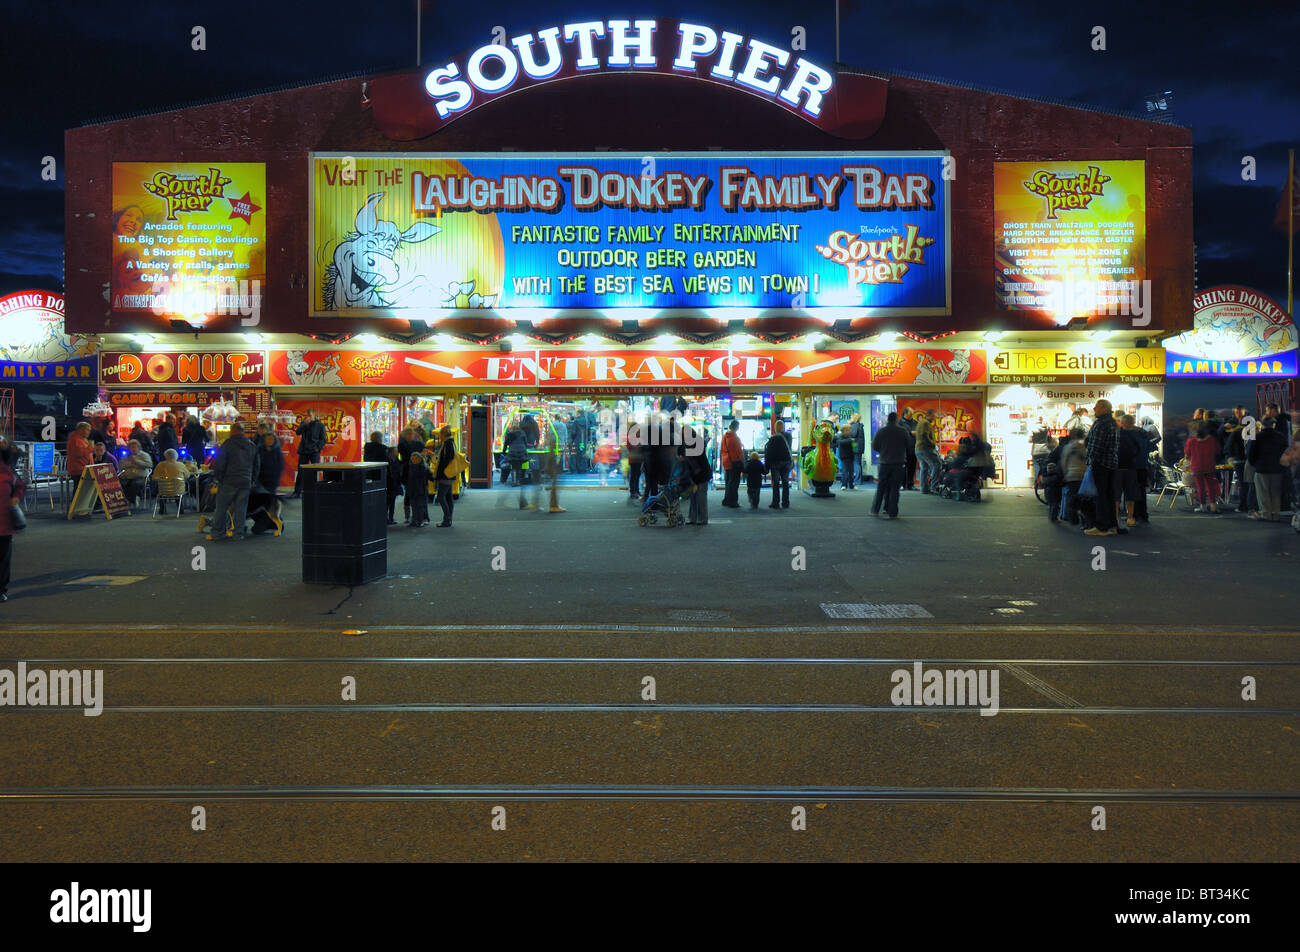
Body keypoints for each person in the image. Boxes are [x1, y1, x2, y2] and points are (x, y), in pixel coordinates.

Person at [208, 422, 259, 541]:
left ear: (233, 431)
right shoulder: (252, 445)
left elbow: (219, 464)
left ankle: (217, 533)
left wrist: (219, 478)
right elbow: (257, 465)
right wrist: (252, 480)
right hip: (245, 481)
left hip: (228, 481)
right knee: (241, 509)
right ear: (243, 431)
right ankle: (238, 533)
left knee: (221, 508)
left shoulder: (227, 445)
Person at [1083, 399, 1121, 536]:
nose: (1094, 408)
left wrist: (1090, 461)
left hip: (1101, 464)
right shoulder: (1112, 423)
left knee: (1100, 496)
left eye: (1097, 406)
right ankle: (1112, 525)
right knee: (1110, 495)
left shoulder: (1101, 424)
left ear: (1104, 408)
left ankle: (1101, 527)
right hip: (1112, 464)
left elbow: (1096, 446)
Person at [0, 443, 27, 603]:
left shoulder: (7, 471)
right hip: (5, 525)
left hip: (4, 524)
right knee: (3, 559)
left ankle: (1, 589)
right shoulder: (7, 471)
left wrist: (16, 497)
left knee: (3, 559)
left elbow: (20, 487)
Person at [871, 411, 911, 519]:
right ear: (896, 419)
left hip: (884, 463)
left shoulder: (881, 431)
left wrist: (883, 451)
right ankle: (892, 512)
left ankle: (875, 510)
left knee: (881, 487)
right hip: (898, 463)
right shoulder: (903, 431)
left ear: (887, 419)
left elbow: (874, 446)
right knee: (895, 489)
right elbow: (909, 445)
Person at [1248, 417, 1288, 521]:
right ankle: (1276, 514)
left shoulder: (1257, 437)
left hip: (1262, 468)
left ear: (1262, 424)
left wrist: (1255, 464)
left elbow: (1251, 454)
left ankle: (1266, 514)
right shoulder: (1281, 437)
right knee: (1275, 493)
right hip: (1277, 469)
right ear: (1273, 424)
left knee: (1263, 493)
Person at [1183, 423, 1220, 514]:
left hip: (1197, 467)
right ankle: (1213, 506)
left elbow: (1187, 455)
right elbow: (1217, 451)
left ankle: (1202, 506)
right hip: (1209, 466)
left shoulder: (1191, 441)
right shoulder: (1212, 440)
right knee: (1210, 487)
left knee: (1200, 487)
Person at [1116, 414, 1145, 528]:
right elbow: (1138, 449)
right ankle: (1131, 518)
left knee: (1116, 494)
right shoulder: (1139, 433)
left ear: (1122, 422)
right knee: (1130, 494)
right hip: (1132, 467)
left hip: (1117, 467)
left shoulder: (1118, 433)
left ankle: (1116, 518)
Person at [292, 410, 327, 498]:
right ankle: (297, 492)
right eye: (307, 415)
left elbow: (323, 439)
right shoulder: (304, 423)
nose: (308, 417)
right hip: (303, 451)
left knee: (314, 472)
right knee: (300, 472)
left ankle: (313, 491)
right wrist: (304, 424)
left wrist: (317, 448)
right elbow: (297, 432)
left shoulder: (320, 425)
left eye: (310, 415)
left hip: (314, 452)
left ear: (314, 415)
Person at [682, 427, 713, 525]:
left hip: (701, 475)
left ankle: (701, 519)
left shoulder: (693, 446)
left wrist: (694, 481)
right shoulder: (693, 444)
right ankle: (695, 518)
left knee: (700, 497)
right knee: (695, 497)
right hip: (698, 474)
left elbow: (696, 466)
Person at [1058, 428, 1089, 527]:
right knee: (1084, 498)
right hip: (1083, 475)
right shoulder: (1084, 447)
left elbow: (1064, 461)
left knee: (1072, 496)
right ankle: (1085, 520)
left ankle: (1072, 517)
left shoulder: (1068, 447)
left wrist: (1065, 473)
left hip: (1072, 475)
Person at [763, 419, 794, 509]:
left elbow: (769, 453)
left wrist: (767, 465)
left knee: (776, 483)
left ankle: (775, 502)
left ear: (775, 428)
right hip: (786, 463)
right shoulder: (789, 436)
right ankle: (785, 502)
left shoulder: (773, 438)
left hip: (775, 464)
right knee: (785, 482)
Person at [151, 448, 190, 514]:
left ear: (165, 456)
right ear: (176, 456)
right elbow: (187, 476)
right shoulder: (181, 465)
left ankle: (162, 509)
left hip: (163, 490)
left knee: (162, 492)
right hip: (178, 489)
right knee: (179, 490)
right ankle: (180, 509)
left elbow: (154, 477)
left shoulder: (160, 465)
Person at [432, 425, 457, 527]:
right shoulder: (450, 443)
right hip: (450, 474)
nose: (439, 437)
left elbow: (446, 460)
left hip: (446, 475)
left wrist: (440, 472)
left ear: (443, 435)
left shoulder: (447, 444)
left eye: (440, 435)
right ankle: (449, 518)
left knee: (441, 497)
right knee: (448, 497)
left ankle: (447, 519)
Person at [118, 439, 153, 509]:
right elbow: (121, 466)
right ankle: (132, 499)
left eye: (135, 447)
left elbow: (149, 465)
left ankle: (129, 501)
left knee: (135, 484)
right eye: (131, 447)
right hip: (128, 477)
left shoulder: (144, 455)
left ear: (138, 447)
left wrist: (137, 462)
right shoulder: (126, 456)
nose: (133, 449)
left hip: (141, 477)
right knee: (120, 483)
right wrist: (131, 464)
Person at [720, 419, 744, 507]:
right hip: (735, 462)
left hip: (726, 461)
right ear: (737, 427)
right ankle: (733, 502)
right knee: (734, 483)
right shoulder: (735, 438)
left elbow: (722, 449)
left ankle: (726, 500)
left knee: (728, 482)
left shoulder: (725, 436)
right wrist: (743, 462)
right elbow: (739, 452)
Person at [406, 451, 430, 527]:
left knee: (420, 505)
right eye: (413, 458)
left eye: (416, 458)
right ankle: (414, 520)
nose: (414, 460)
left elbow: (430, 476)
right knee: (413, 505)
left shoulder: (423, 467)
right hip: (412, 489)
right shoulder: (409, 467)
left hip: (420, 489)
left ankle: (420, 520)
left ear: (420, 459)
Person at [66, 422, 94, 486]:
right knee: (79, 490)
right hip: (79, 470)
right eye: (87, 430)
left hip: (82, 469)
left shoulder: (80, 439)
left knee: (80, 490)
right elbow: (79, 453)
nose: (89, 432)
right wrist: (90, 448)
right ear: (80, 429)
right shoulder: (76, 439)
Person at [899, 407, 919, 490]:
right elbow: (902, 433)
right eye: (911, 414)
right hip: (903, 448)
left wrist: (914, 433)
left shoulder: (915, 422)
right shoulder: (900, 422)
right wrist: (911, 432)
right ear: (906, 413)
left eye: (913, 414)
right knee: (903, 467)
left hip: (913, 447)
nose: (912, 415)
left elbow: (918, 432)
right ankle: (902, 484)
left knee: (912, 467)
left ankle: (910, 484)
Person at [384, 446, 403, 525]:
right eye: (395, 451)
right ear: (391, 452)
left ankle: (391, 518)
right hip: (390, 484)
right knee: (388, 502)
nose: (397, 452)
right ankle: (387, 518)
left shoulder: (397, 461)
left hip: (395, 484)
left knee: (392, 502)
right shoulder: (388, 461)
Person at [835, 423, 856, 490]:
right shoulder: (840, 436)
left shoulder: (850, 436)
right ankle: (843, 485)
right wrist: (850, 440)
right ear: (843, 431)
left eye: (849, 430)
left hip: (851, 456)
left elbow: (855, 447)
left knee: (851, 472)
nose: (849, 431)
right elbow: (841, 442)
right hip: (844, 456)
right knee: (845, 471)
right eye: (847, 430)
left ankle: (851, 485)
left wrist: (855, 448)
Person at [849, 413, 866, 486]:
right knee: (858, 463)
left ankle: (857, 480)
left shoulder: (854, 425)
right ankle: (859, 480)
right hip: (860, 446)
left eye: (851, 417)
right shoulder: (860, 425)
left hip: (855, 445)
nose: (850, 418)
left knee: (856, 463)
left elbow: (853, 434)